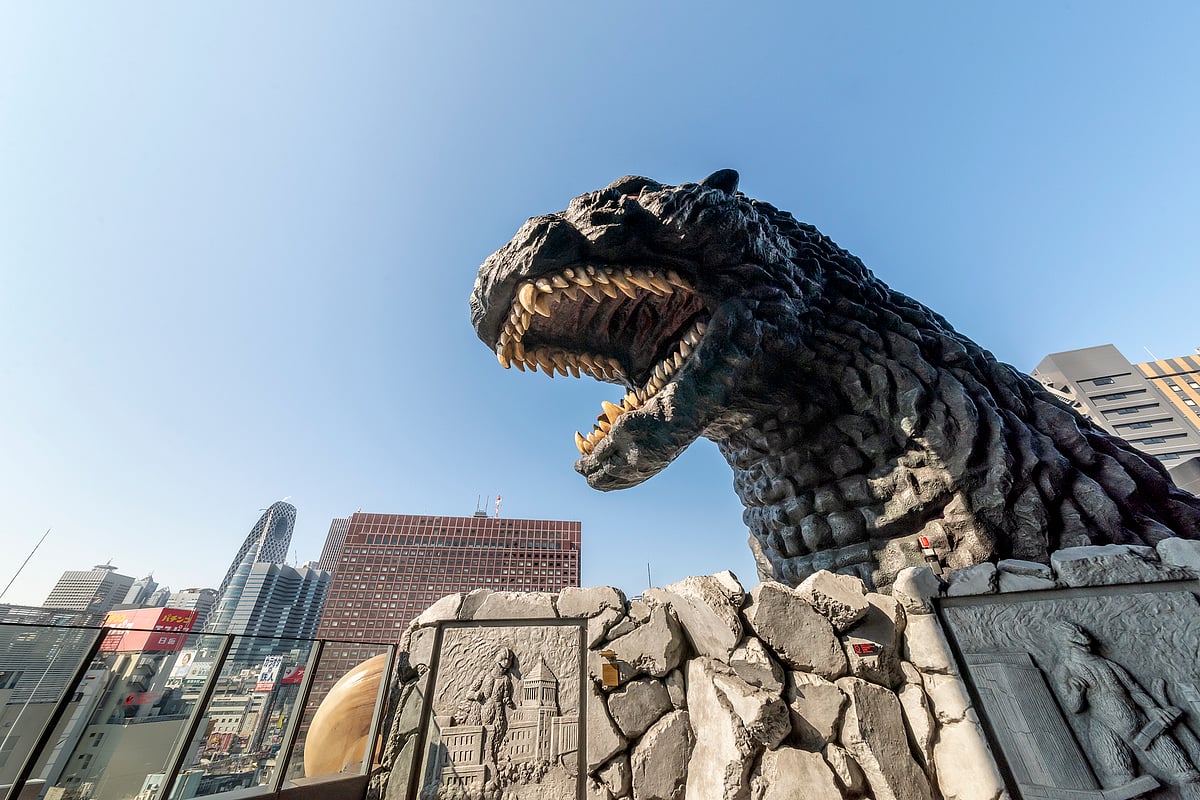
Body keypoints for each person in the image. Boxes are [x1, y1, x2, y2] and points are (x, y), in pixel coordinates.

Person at [1052, 620, 1199, 790]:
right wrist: (1077, 694)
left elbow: (1134, 689)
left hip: (1142, 725)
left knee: (1188, 775)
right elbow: (1073, 708)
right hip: (1106, 729)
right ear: (1063, 641)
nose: (1083, 637)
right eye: (1074, 635)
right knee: (1125, 786)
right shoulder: (1064, 669)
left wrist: (1153, 709)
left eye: (1081, 631)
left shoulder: (1107, 663)